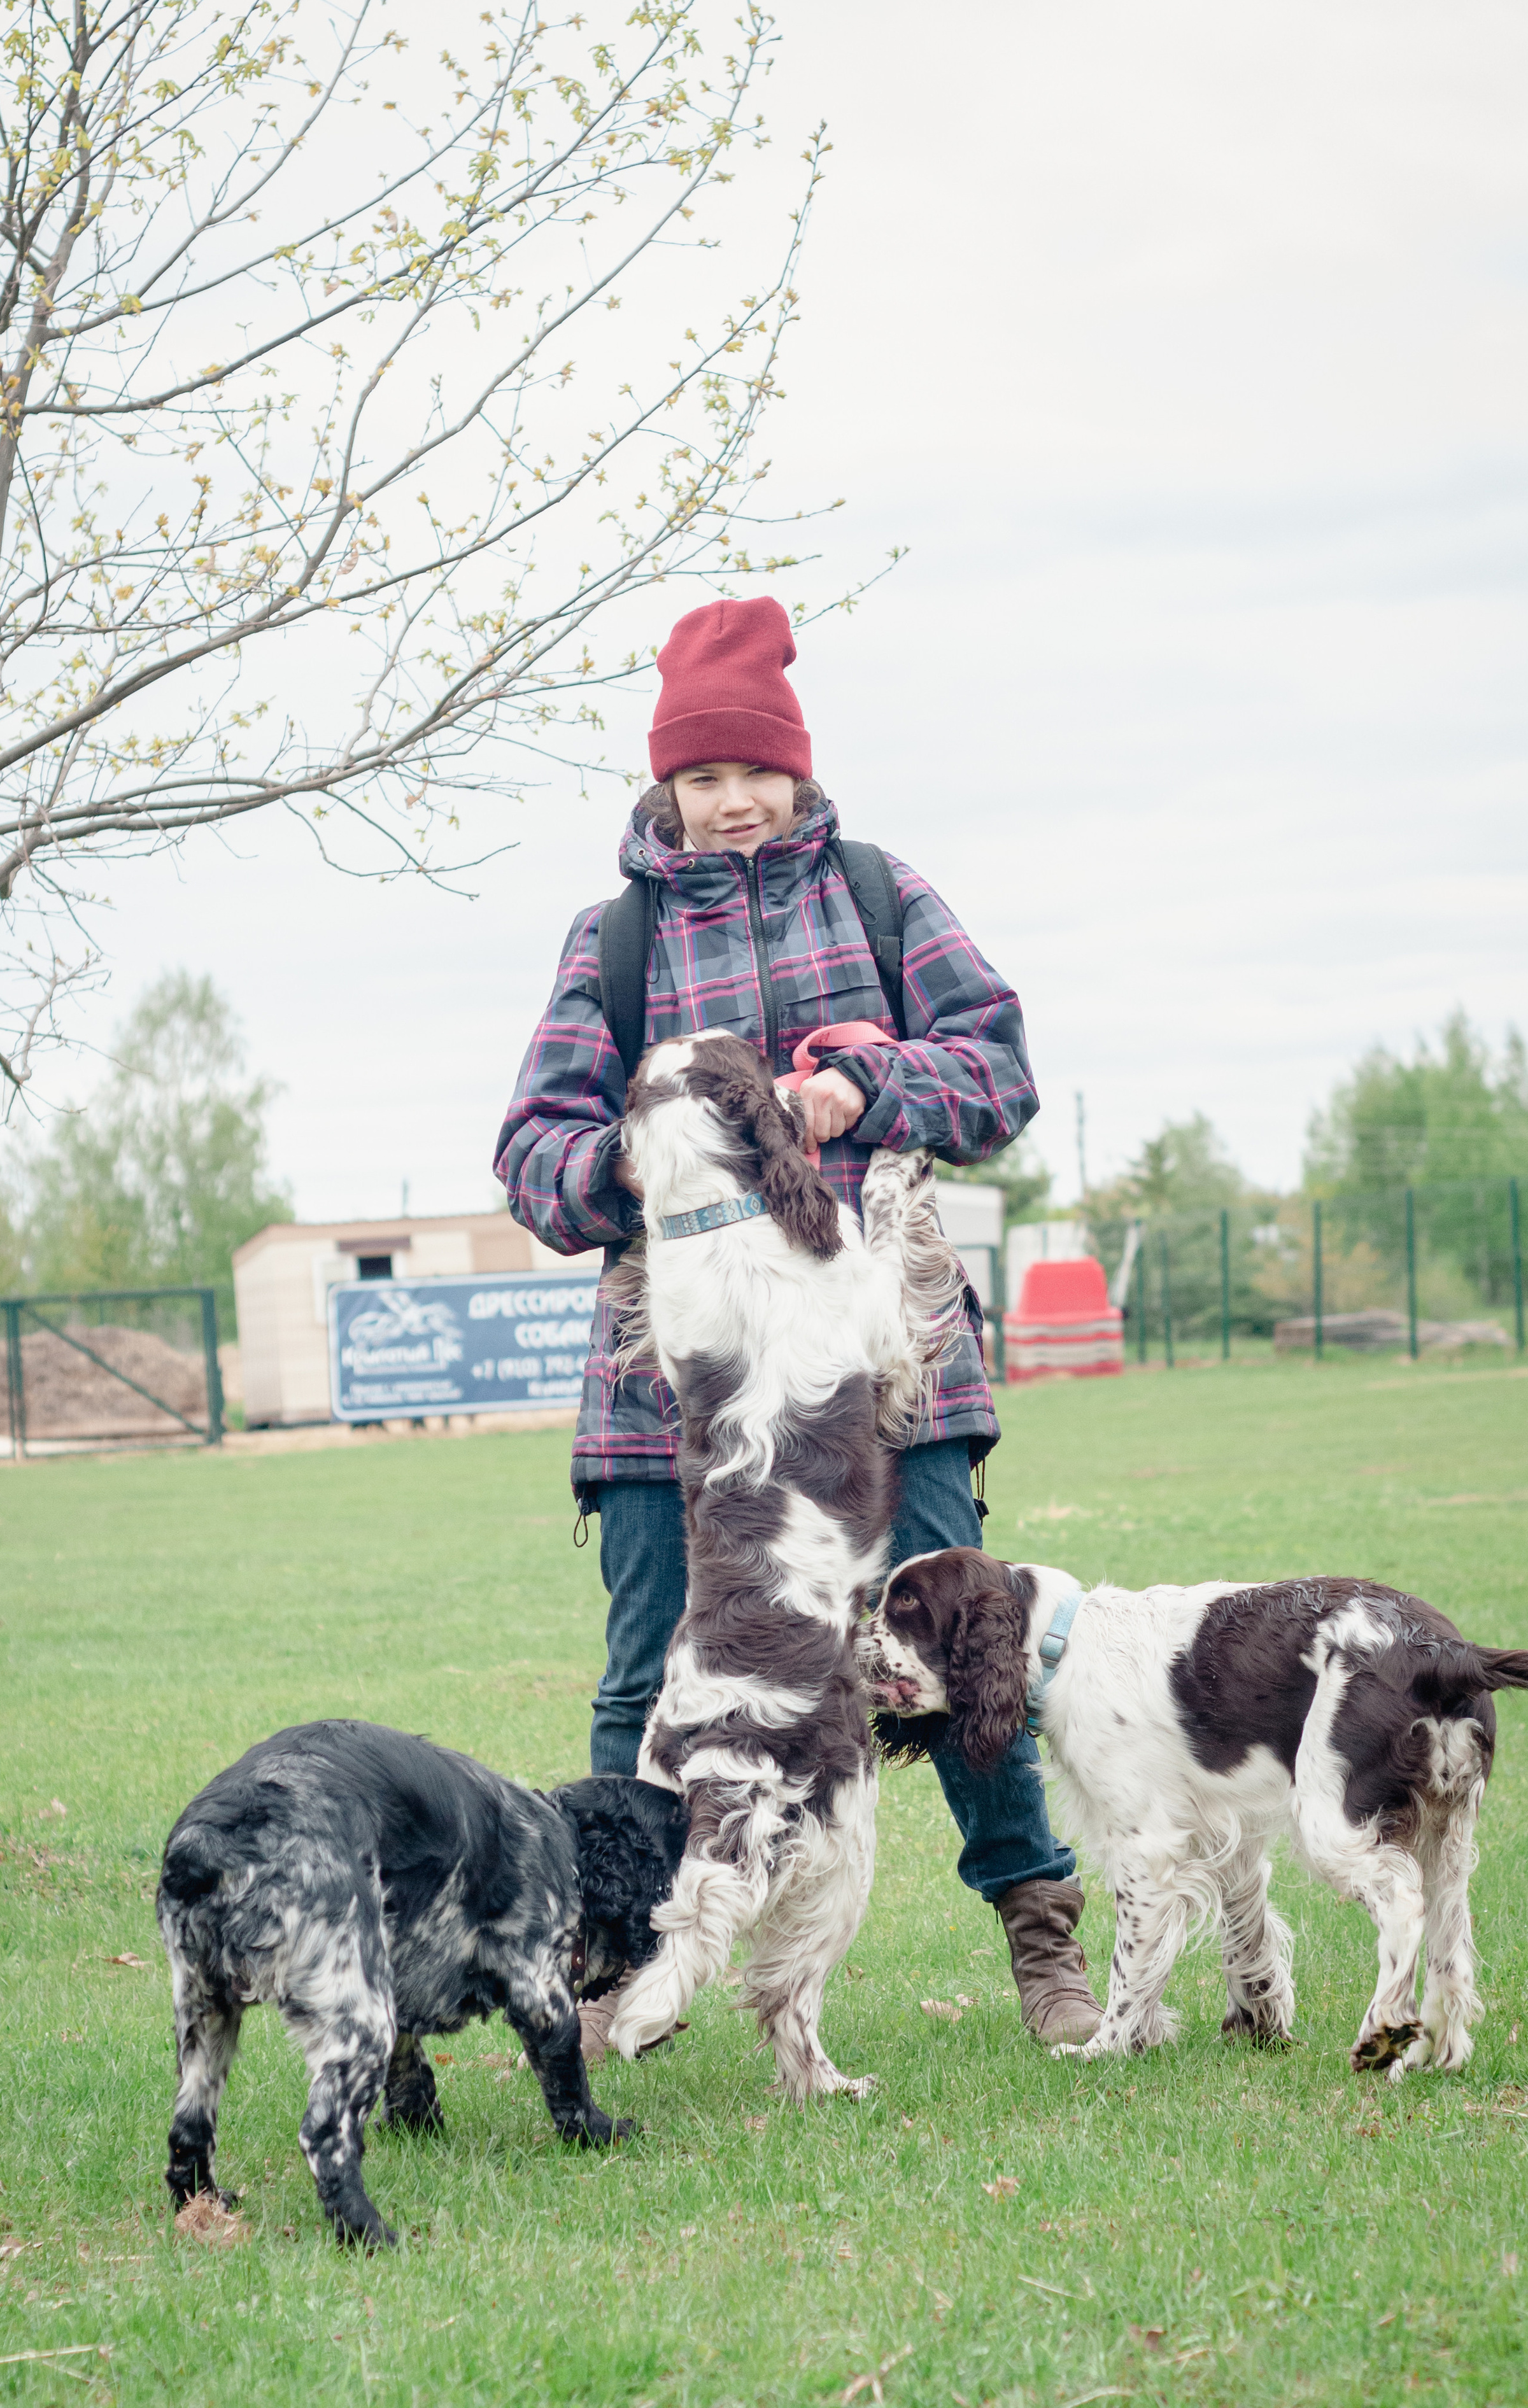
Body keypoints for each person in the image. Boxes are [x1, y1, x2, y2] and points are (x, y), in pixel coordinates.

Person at [495, 596, 1100, 2059]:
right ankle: (608, 1955)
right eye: (701, 777)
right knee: (650, 1674)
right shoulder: (615, 938)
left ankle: (1038, 1934)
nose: (730, 800)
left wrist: (873, 1085)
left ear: (794, 766)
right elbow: (530, 1149)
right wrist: (617, 1167)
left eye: (750, 770)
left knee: (960, 1650)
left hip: (883, 1385)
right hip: (669, 1390)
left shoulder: (884, 897)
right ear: (666, 788)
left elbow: (998, 1071)